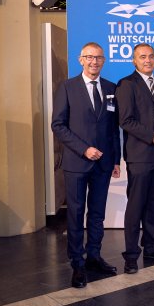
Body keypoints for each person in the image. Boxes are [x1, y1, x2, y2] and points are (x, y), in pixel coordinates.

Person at [51, 42, 121, 288]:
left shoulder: (111, 88)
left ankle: (94, 257)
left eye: (98, 57)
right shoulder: (67, 87)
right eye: (89, 57)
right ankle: (77, 263)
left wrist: (115, 159)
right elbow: (58, 125)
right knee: (76, 213)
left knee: (97, 214)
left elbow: (113, 129)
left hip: (103, 164)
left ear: (104, 61)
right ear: (81, 60)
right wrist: (84, 149)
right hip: (77, 162)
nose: (94, 61)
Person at [116, 43, 154, 274]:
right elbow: (126, 120)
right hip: (140, 155)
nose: (148, 60)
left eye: (151, 56)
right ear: (134, 61)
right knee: (136, 207)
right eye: (142, 57)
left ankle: (152, 248)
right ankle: (131, 256)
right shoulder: (126, 84)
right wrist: (152, 136)